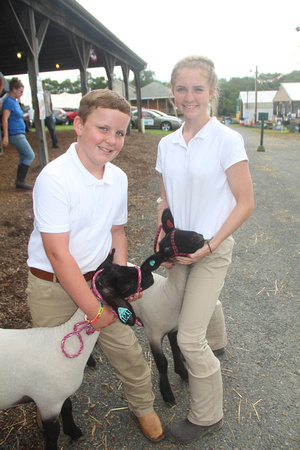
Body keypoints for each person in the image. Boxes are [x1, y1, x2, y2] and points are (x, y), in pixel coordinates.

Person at [26, 89, 164, 443]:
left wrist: (119, 279)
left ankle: (144, 406)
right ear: (78, 124)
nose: (111, 140)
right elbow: (58, 254)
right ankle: (51, 410)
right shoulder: (54, 179)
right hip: (52, 286)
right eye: (102, 129)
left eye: (119, 132)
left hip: (100, 282)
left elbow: (117, 231)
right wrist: (92, 309)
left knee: (128, 350)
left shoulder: (118, 178)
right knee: (55, 361)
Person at [155, 55, 254, 444]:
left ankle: (207, 415)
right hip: (179, 247)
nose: (189, 96)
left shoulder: (227, 140)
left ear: (212, 92)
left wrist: (211, 246)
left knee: (187, 337)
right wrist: (162, 235)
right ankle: (220, 341)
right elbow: (165, 198)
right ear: (173, 93)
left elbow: (245, 203)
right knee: (192, 303)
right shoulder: (166, 143)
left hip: (212, 248)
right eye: (182, 88)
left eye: (198, 88)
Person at [2, 77, 35, 189]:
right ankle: (20, 180)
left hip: (19, 132)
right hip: (15, 134)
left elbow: (15, 116)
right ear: (14, 89)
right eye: (20, 91)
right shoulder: (9, 102)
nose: (21, 94)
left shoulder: (14, 102)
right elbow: (4, 118)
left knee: (23, 156)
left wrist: (24, 118)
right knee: (30, 155)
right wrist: (6, 136)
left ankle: (20, 181)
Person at [42, 81, 59, 148]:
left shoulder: (47, 93)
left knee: (52, 128)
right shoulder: (38, 93)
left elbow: (50, 102)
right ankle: (42, 144)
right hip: (41, 115)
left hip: (48, 113)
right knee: (41, 130)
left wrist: (51, 111)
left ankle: (55, 143)